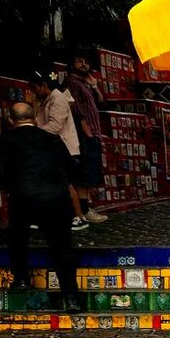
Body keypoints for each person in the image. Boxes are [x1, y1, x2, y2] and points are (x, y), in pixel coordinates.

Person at [0, 103, 84, 312]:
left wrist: (13, 187)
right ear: (35, 118)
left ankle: (21, 278)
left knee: (17, 237)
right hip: (55, 198)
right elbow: (71, 168)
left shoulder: (7, 140)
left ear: (10, 120)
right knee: (62, 247)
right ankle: (71, 298)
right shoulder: (52, 139)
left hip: (23, 196)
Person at [29, 71, 86, 231]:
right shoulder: (45, 100)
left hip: (63, 149)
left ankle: (79, 216)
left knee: (65, 184)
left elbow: (54, 126)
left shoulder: (58, 100)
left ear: (44, 85)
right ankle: (50, 217)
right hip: (52, 148)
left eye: (34, 87)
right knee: (51, 183)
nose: (33, 91)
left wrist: (32, 135)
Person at [65, 53, 108, 225]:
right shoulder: (72, 83)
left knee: (91, 171)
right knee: (85, 170)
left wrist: (95, 86)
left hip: (93, 131)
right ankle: (83, 209)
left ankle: (86, 206)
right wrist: (87, 131)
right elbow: (77, 109)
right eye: (79, 60)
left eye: (86, 61)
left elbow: (102, 102)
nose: (83, 64)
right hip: (85, 132)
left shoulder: (86, 83)